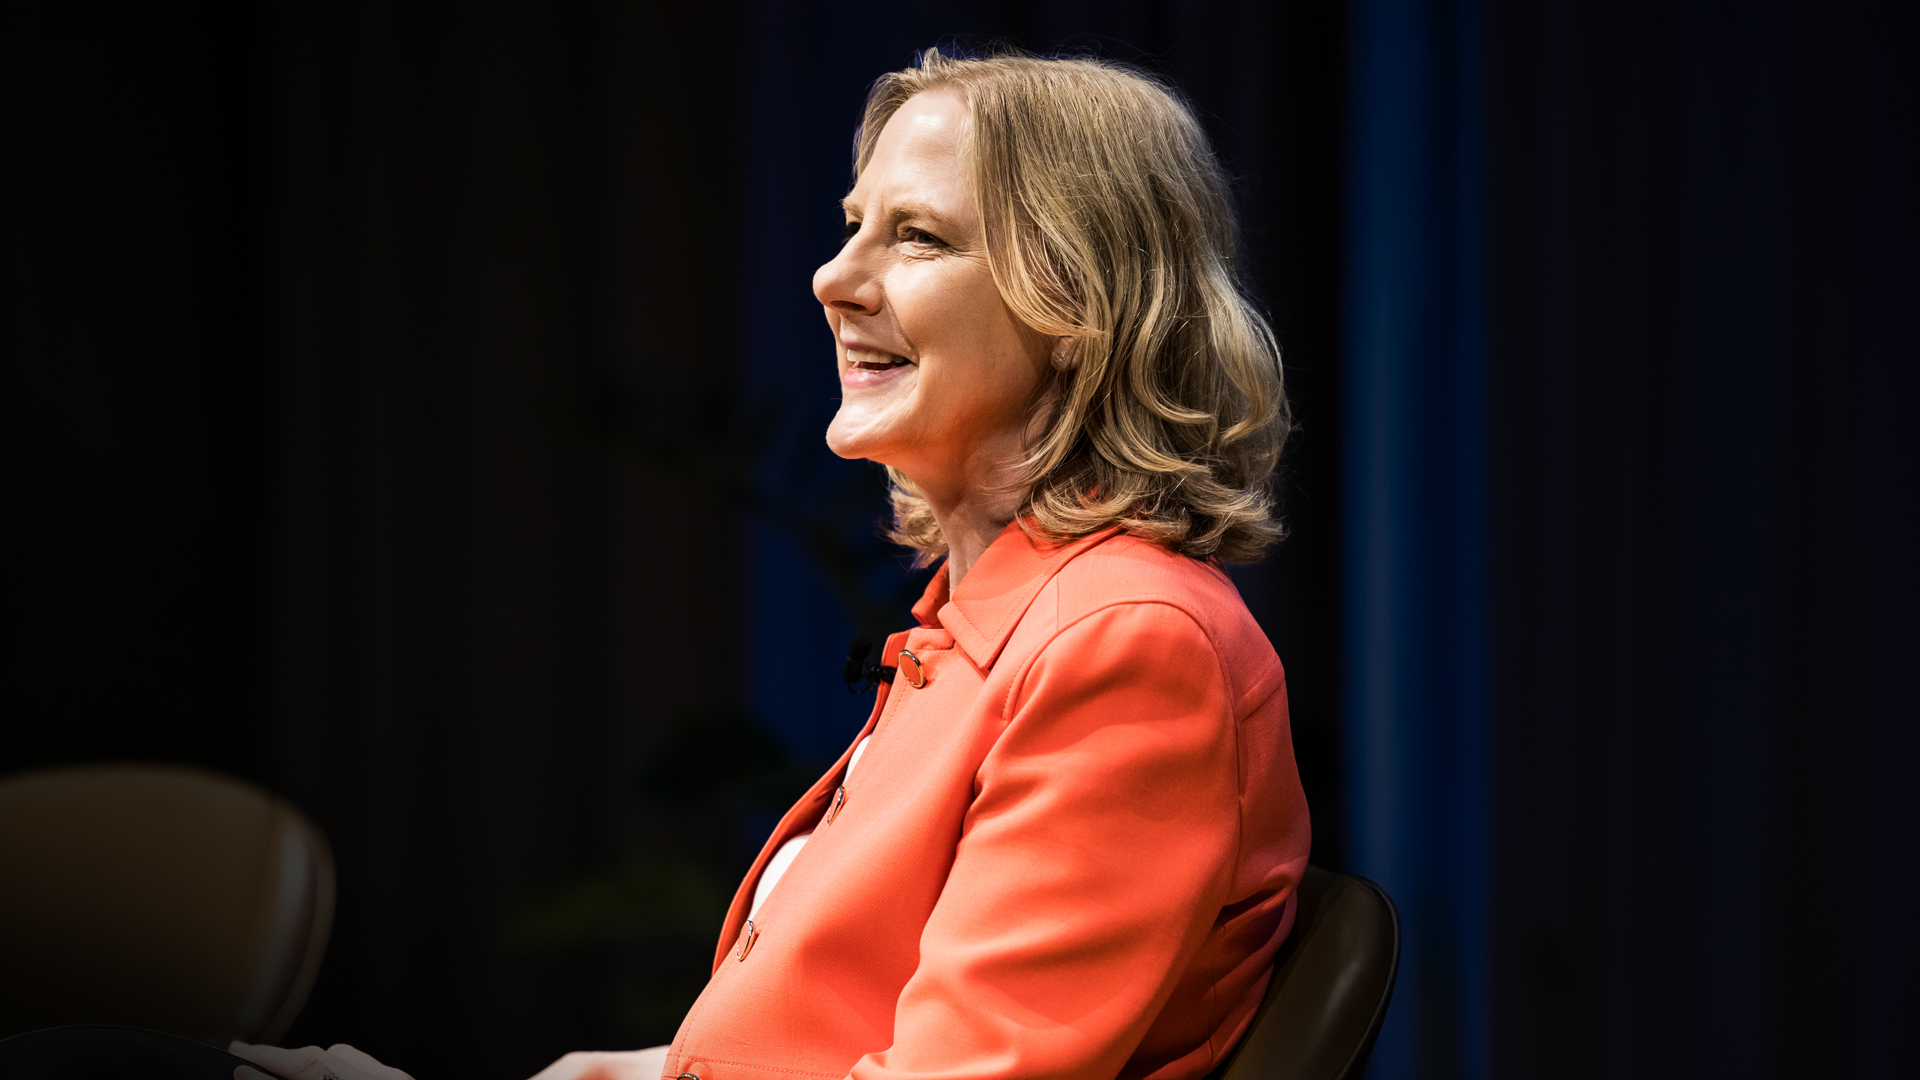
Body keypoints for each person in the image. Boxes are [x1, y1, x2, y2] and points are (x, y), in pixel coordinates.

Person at [229, 46, 1309, 1080]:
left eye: (918, 238)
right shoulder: (984, 625)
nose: (833, 278)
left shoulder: (1128, 645)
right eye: (852, 229)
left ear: (1082, 302)